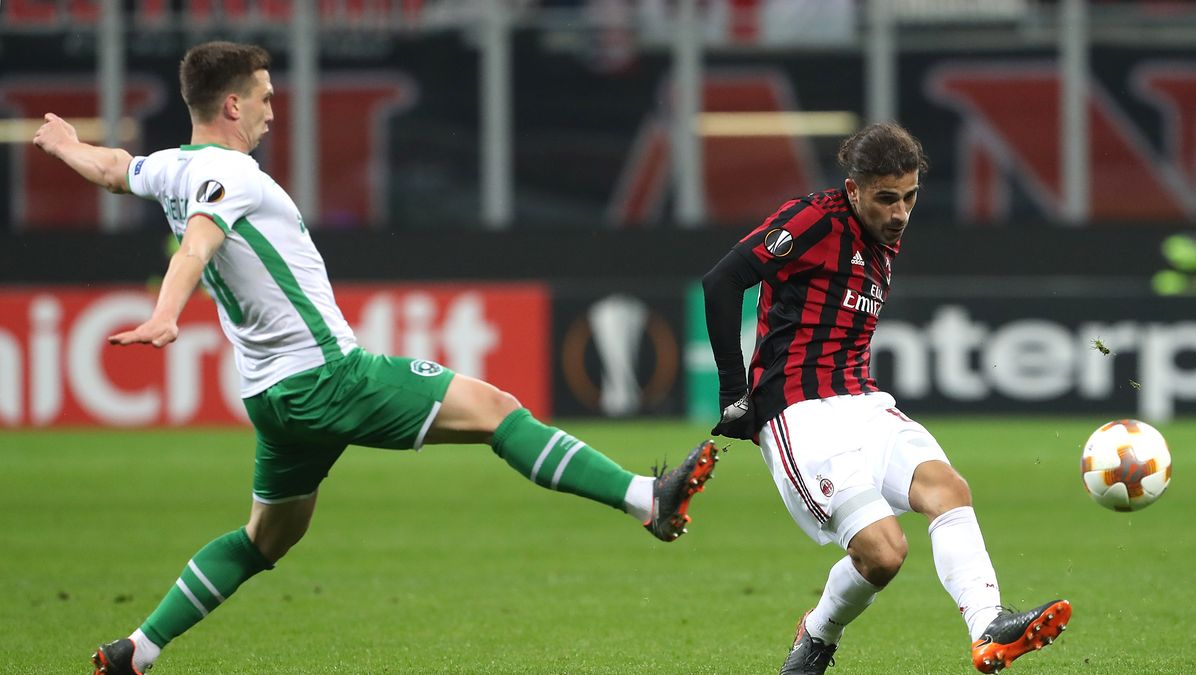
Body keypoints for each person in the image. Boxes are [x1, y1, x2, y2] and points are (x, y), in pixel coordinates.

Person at [33, 41, 719, 675]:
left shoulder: (172, 168)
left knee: (263, 540)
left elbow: (117, 169)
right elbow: (200, 242)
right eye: (266, 97)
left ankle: (136, 651)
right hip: (328, 375)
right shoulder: (227, 173)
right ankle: (646, 499)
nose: (274, 111)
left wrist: (66, 146)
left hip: (273, 400)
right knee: (496, 410)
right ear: (233, 104)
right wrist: (166, 312)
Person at [701, 122, 1072, 674]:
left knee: (948, 488)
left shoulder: (882, 241)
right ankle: (819, 634)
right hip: (799, 409)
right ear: (854, 190)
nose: (900, 212)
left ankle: (989, 627)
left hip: (862, 400)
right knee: (883, 553)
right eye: (886, 198)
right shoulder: (815, 219)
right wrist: (735, 392)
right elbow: (722, 280)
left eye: (910, 197)